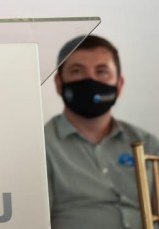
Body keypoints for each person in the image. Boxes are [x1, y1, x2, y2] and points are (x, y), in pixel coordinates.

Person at [44, 34, 159, 229]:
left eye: (102, 71)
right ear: (58, 83)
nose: (90, 80)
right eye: (77, 70)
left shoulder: (146, 142)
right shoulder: (40, 146)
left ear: (119, 85)